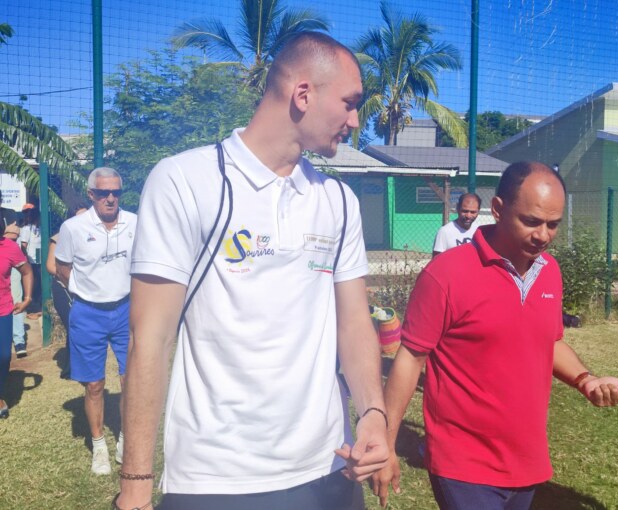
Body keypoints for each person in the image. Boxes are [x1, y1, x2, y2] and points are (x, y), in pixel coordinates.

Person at [117, 32, 388, 510]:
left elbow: (354, 322)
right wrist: (136, 484)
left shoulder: (338, 201)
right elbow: (151, 339)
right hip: (216, 478)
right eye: (349, 104)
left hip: (328, 467)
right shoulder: (186, 181)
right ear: (303, 95)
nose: (355, 121)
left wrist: (372, 413)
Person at [372, 162, 618, 510]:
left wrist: (585, 379)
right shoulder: (447, 274)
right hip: (463, 464)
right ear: (498, 209)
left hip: (527, 463)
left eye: (553, 224)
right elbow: (410, 359)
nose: (543, 235)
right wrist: (387, 444)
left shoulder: (551, 273)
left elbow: (550, 340)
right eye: (531, 221)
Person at [54, 168, 137, 475]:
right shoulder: (73, 228)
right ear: (91, 195)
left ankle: (126, 438)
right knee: (93, 384)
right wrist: (84, 292)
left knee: (131, 379)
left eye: (116, 191)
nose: (111, 198)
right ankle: (99, 445)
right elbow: (62, 268)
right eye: (103, 193)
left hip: (126, 309)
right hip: (88, 313)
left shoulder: (135, 222)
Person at [47, 205, 88, 379]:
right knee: (73, 324)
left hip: (86, 289)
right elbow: (50, 266)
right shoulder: (58, 238)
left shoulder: (93, 237)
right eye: (79, 216)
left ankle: (79, 365)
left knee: (82, 326)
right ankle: (71, 368)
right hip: (64, 288)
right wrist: (69, 278)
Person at [0, 220, 33, 419]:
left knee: (3, 356)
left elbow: (27, 271)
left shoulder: (9, 247)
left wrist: (28, 298)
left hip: (3, 310)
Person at [432, 193, 482, 257]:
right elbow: (436, 261)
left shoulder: (479, 231)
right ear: (457, 208)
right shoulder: (445, 232)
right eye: (465, 211)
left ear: (478, 211)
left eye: (473, 212)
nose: (468, 216)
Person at [4, 224, 27, 357]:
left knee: (16, 302)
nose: (10, 241)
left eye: (14, 239)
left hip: (15, 269)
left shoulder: (15, 247)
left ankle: (19, 341)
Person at [19, 203, 42, 319]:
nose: (29, 215)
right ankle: (32, 308)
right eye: (26, 212)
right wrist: (26, 259)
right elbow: (23, 246)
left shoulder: (39, 228)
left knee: (39, 284)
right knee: (33, 284)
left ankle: (38, 307)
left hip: (39, 259)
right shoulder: (26, 228)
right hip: (30, 260)